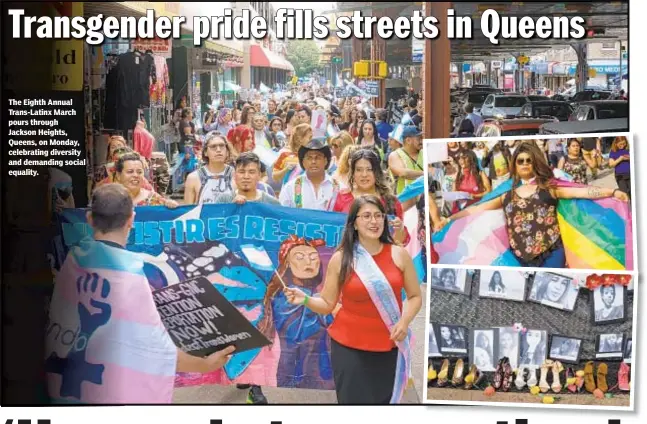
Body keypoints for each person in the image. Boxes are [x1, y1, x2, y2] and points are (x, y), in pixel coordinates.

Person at [46, 184, 235, 403]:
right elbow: (153, 350)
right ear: (131, 220)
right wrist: (205, 364)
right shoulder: (130, 277)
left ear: (89, 219)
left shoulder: (74, 260)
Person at [283, 195, 422, 404]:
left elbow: (414, 296)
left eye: (378, 216)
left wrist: (404, 322)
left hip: (389, 344)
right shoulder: (342, 258)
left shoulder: (399, 254)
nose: (373, 221)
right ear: (354, 223)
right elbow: (328, 304)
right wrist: (305, 299)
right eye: (366, 216)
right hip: (349, 348)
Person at [439, 142, 629, 267]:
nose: (524, 164)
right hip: (519, 257)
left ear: (535, 163)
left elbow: (584, 191)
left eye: (528, 161)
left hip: (552, 252)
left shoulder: (550, 188)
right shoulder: (506, 194)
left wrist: (612, 192)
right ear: (514, 164)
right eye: (520, 161)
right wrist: (449, 218)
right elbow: (475, 209)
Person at [332, 149, 408, 245]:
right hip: (350, 256)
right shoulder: (342, 197)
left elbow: (400, 242)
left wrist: (399, 230)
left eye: (369, 169)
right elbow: (334, 232)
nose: (364, 175)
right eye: (359, 170)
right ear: (353, 173)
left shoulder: (391, 201)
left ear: (377, 172)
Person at [279, 138, 340, 211]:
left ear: (326, 161)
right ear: (303, 162)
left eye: (318, 157)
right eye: (309, 158)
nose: (313, 161)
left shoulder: (339, 188)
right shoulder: (289, 188)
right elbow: (282, 215)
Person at [184, 133, 234, 205]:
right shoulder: (193, 178)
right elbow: (187, 211)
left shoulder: (236, 175)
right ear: (205, 152)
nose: (218, 150)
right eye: (213, 146)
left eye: (222, 146)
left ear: (227, 151)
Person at [114, 153, 178, 208]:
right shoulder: (109, 200)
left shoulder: (153, 199)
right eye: (130, 172)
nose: (136, 175)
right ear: (118, 175)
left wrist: (170, 204)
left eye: (139, 172)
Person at [215, 152, 280, 206]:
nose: (246, 176)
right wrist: (232, 207)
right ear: (234, 175)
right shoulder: (223, 200)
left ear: (259, 175)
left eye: (251, 172)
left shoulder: (272, 203)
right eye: (241, 172)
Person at [272, 123, 312, 188]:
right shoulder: (285, 154)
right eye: (309, 137)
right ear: (300, 138)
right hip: (288, 195)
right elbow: (274, 177)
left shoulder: (313, 156)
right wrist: (285, 170)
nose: (312, 140)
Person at [388, 126, 424, 196]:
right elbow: (403, 173)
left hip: (423, 201)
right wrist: (426, 174)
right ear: (408, 140)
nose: (421, 141)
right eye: (419, 139)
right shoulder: (395, 155)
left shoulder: (424, 152)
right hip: (404, 201)